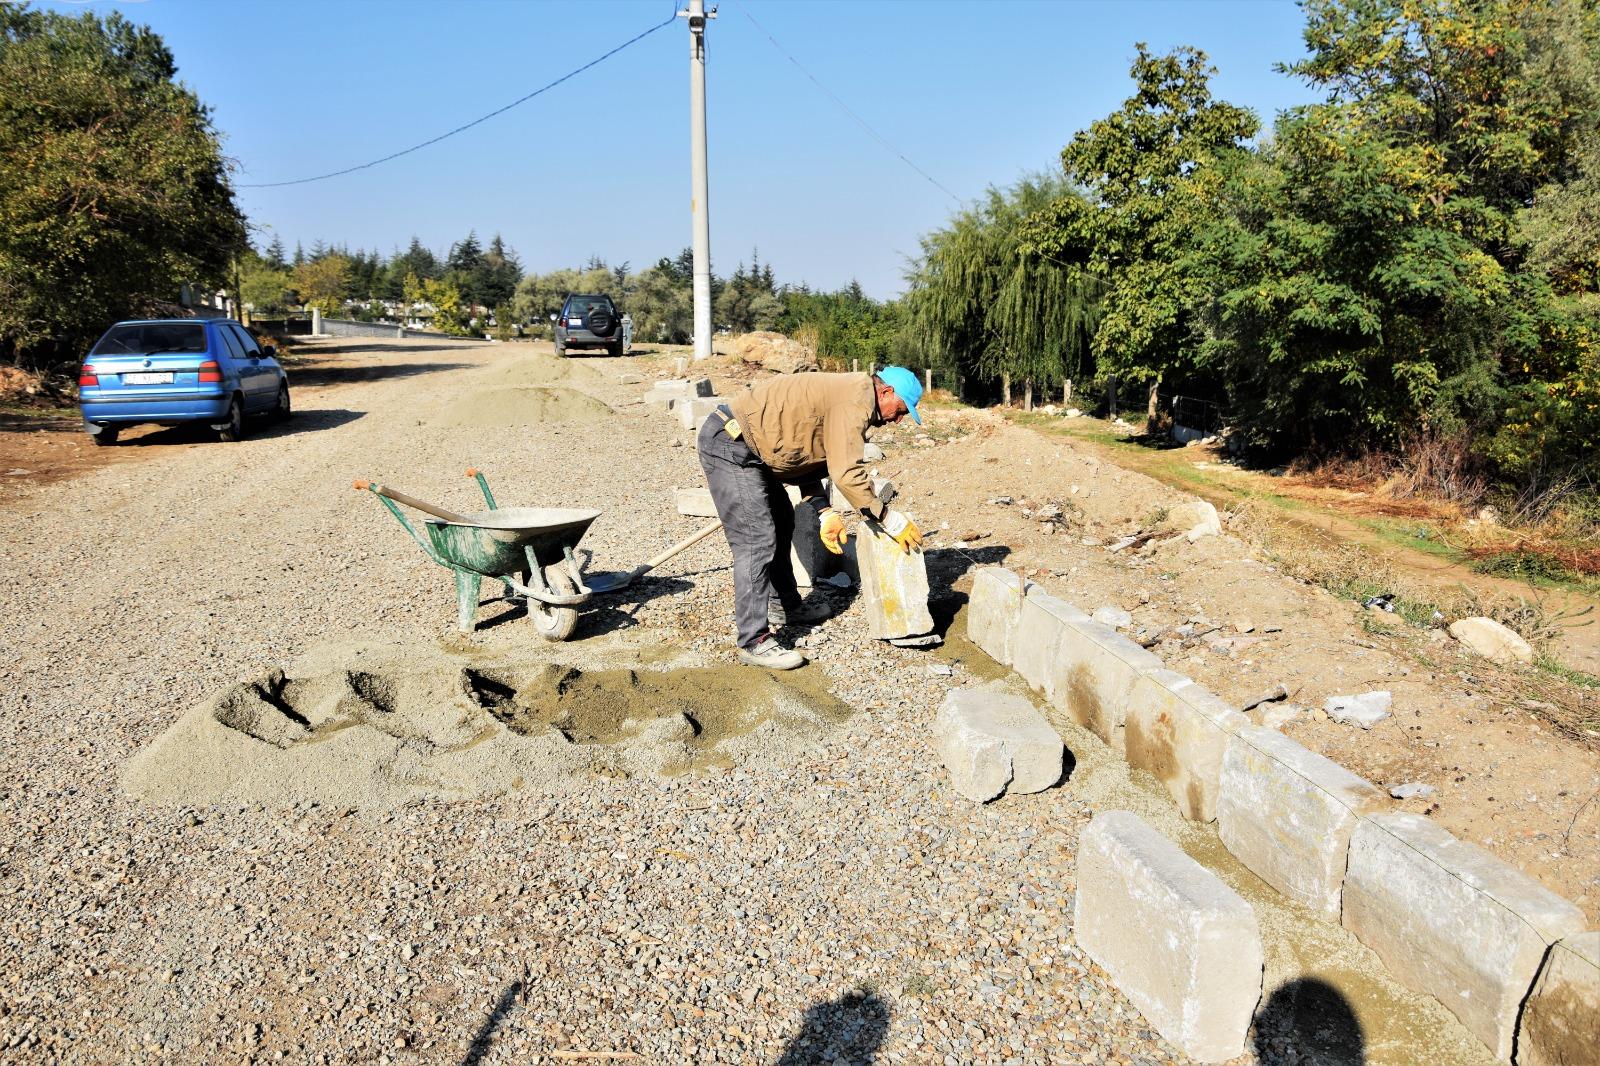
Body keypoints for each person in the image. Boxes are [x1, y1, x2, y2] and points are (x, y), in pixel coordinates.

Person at [697, 366, 926, 669]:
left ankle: (784, 606)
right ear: (885, 392)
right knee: (756, 540)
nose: (896, 420)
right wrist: (888, 518)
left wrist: (824, 510)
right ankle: (753, 641)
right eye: (899, 411)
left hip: (756, 449)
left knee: (782, 521)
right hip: (731, 443)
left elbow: (803, 450)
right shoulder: (856, 398)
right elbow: (846, 472)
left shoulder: (849, 395)